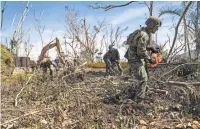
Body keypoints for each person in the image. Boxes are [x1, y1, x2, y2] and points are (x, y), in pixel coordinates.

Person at [125, 16, 162, 99]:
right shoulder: (144, 34)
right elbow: (140, 51)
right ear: (151, 25)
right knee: (143, 79)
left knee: (146, 77)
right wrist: (150, 59)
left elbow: (139, 46)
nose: (157, 29)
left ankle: (142, 94)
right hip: (136, 59)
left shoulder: (143, 32)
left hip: (137, 58)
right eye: (156, 27)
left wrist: (151, 48)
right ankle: (139, 100)